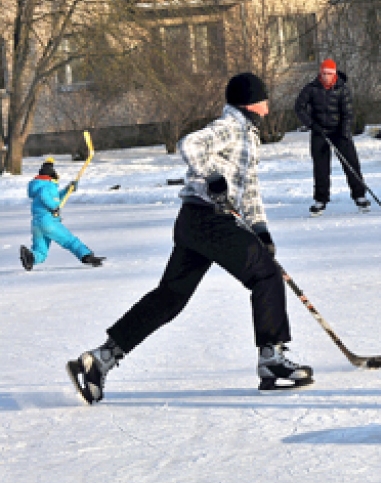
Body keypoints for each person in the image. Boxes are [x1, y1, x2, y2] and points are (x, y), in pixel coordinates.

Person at [66, 72, 313, 405]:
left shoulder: (248, 136)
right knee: (266, 274)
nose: (269, 106)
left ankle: (99, 360)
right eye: (265, 98)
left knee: (170, 297)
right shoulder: (231, 126)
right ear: (251, 102)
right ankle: (271, 360)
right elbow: (189, 144)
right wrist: (212, 177)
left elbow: (248, 189)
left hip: (194, 222)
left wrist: (260, 229)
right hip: (209, 218)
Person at [294, 59, 369, 215]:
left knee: (351, 163)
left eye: (329, 74)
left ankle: (360, 196)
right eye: (323, 73)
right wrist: (312, 125)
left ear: (334, 74)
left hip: (339, 131)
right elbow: (299, 107)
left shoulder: (342, 89)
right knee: (321, 168)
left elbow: (348, 113)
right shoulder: (311, 88)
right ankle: (320, 200)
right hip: (319, 132)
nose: (326, 76)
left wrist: (345, 131)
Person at [20, 157, 104, 271]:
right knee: (70, 241)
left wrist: (67, 190)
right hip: (49, 221)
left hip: (37, 223)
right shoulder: (47, 185)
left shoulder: (38, 186)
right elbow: (46, 197)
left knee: (41, 251)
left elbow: (56, 199)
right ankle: (86, 256)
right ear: (52, 176)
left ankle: (30, 258)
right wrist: (54, 208)